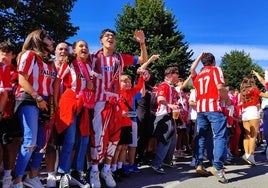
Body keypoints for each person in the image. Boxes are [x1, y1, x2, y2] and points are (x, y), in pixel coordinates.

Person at [89, 28, 148, 188]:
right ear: (101, 40)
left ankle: (107, 169)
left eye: (113, 36)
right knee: (98, 137)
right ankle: (94, 170)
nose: (110, 38)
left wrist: (142, 43)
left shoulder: (120, 58)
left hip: (116, 104)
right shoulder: (93, 57)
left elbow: (143, 59)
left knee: (114, 139)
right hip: (100, 102)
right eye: (107, 36)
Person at [12, 29, 56, 188]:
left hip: (45, 101)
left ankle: (33, 176)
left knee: (42, 143)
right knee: (30, 141)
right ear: (39, 39)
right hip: (30, 98)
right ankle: (16, 180)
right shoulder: (29, 55)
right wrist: (37, 97)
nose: (52, 41)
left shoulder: (50, 62)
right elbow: (22, 79)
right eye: (49, 38)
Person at [53, 40, 93, 188]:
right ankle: (63, 173)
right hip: (70, 103)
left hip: (84, 105)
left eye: (86, 46)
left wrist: (91, 85)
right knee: (69, 140)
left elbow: (89, 86)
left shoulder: (89, 66)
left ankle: (78, 172)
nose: (84, 48)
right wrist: (56, 102)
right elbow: (57, 81)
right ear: (74, 51)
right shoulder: (70, 64)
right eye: (81, 46)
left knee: (84, 140)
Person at [190, 52, 230, 184]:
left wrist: (198, 57)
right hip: (213, 107)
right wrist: (227, 100)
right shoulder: (215, 70)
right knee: (219, 136)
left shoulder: (200, 73)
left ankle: (199, 163)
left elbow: (191, 69)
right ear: (214, 61)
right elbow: (220, 88)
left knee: (201, 136)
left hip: (201, 109)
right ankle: (217, 166)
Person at [45, 42, 70, 188]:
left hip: (68, 110)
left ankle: (64, 174)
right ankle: (50, 175)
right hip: (51, 108)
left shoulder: (72, 69)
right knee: (51, 143)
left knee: (68, 143)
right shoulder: (49, 66)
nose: (63, 51)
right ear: (55, 51)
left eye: (66, 49)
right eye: (60, 49)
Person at [151, 67, 180, 174]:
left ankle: (166, 161)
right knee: (165, 140)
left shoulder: (172, 88)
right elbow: (160, 99)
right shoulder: (164, 85)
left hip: (170, 116)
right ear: (170, 75)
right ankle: (156, 164)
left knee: (172, 140)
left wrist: (176, 105)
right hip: (164, 116)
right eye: (177, 73)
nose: (178, 76)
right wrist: (170, 105)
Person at [0, 41, 19, 188]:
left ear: (13, 55)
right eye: (1, 52)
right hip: (3, 112)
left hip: (11, 113)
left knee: (10, 146)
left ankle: (8, 175)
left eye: (7, 53)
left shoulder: (16, 71)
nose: (3, 56)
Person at [240, 72, 268, 165]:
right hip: (252, 111)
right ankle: (251, 155)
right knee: (253, 135)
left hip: (244, 113)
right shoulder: (254, 89)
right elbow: (265, 95)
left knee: (247, 135)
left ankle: (246, 153)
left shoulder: (242, 91)